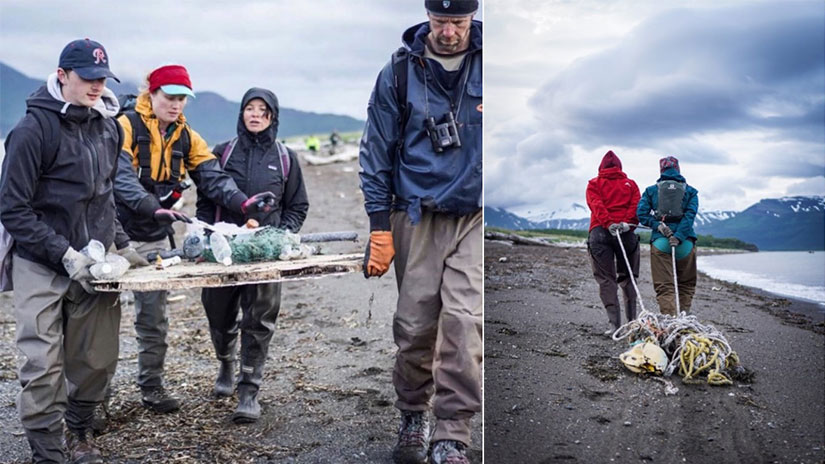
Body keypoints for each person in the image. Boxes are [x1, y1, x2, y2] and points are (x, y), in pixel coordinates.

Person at [0, 38, 144, 463]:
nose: (97, 85)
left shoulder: (108, 127)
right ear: (62, 76)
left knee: (96, 359)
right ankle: (47, 450)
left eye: (103, 78)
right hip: (40, 262)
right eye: (87, 78)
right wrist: (63, 254)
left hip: (97, 265)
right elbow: (12, 209)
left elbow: (105, 197)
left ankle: (79, 433)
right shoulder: (32, 131)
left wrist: (122, 244)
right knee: (42, 364)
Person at [114, 64, 277, 414]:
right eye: (169, 97)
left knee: (153, 320)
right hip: (112, 235)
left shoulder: (187, 135)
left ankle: (152, 387)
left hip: (155, 237)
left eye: (182, 99)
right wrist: (149, 206)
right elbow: (118, 176)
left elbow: (212, 176)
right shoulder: (124, 126)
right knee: (100, 323)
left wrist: (241, 202)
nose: (176, 105)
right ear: (151, 94)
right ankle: (92, 402)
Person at [359, 1, 482, 463]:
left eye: (459, 22)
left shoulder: (494, 65)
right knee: (414, 329)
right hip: (416, 213)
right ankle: (413, 413)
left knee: (464, 323)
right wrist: (378, 227)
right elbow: (375, 152)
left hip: (475, 215)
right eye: (440, 22)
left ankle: (452, 432)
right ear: (427, 17)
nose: (449, 32)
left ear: (472, 17)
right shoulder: (397, 71)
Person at [196, 87, 308, 423]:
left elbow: (298, 206)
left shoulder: (286, 158)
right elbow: (206, 199)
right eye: (249, 108)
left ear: (272, 117)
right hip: (224, 250)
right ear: (242, 113)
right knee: (218, 312)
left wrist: (281, 236)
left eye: (262, 110)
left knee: (259, 320)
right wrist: (206, 235)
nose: (255, 114)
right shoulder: (223, 153)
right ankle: (225, 363)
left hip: (265, 254)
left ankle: (249, 391)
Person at [585, 150, 641, 335]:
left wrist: (608, 223)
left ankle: (614, 326)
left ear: (601, 167)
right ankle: (632, 323)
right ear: (620, 167)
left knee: (606, 280)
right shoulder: (631, 184)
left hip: (600, 232)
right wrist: (625, 223)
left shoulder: (594, 184)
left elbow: (596, 204)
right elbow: (636, 207)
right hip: (626, 233)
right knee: (628, 278)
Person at [637, 156, 699, 315]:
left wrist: (658, 226)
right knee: (685, 285)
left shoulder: (651, 190)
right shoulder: (691, 191)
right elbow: (689, 217)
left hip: (661, 242)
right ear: (678, 169)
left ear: (661, 170)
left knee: (665, 287)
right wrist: (678, 236)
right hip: (685, 243)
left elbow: (641, 214)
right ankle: (684, 321)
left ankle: (671, 323)